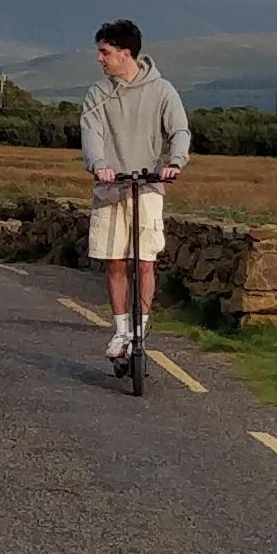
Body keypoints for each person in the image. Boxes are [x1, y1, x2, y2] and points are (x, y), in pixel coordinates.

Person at [77, 18, 190, 369]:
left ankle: (140, 326)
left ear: (125, 54)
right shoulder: (98, 93)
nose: (100, 59)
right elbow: (91, 133)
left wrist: (175, 162)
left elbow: (179, 129)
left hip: (148, 185)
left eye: (105, 52)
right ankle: (122, 329)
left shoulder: (162, 91)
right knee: (114, 261)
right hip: (111, 186)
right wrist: (98, 164)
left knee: (145, 260)